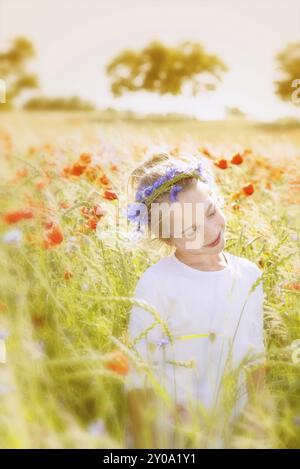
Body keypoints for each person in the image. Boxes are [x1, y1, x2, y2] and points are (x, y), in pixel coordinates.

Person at [124, 151, 267, 448]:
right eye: (191, 229)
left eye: (211, 211)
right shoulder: (156, 284)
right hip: (177, 436)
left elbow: (255, 359)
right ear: (167, 238)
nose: (211, 230)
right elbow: (141, 379)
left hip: (235, 430)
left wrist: (260, 424)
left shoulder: (249, 275)